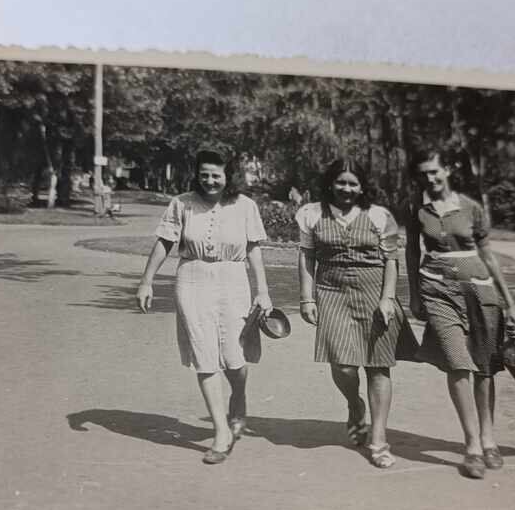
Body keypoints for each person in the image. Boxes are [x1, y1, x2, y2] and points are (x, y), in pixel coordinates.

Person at [136, 150, 272, 465]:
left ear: (229, 176)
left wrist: (263, 292)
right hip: (192, 280)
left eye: (216, 175)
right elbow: (164, 242)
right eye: (204, 174)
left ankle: (238, 400)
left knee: (234, 359)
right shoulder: (181, 203)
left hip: (233, 279)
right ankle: (221, 431)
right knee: (204, 356)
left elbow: (253, 250)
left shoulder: (245, 206)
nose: (209, 181)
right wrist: (146, 281)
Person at [405, 150, 515, 479]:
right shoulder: (417, 210)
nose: (430, 179)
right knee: (458, 363)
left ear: (448, 170)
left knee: (484, 368)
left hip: (480, 291)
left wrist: (509, 301)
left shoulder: (471, 207)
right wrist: (414, 294)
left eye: (434, 172)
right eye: (424, 174)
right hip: (437, 291)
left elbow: (488, 255)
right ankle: (471, 446)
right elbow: (412, 250)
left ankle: (489, 439)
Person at [296, 159, 416, 468]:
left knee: (378, 367)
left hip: (374, 293)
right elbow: (307, 257)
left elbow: (392, 259)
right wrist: (306, 299)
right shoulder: (311, 214)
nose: (346, 189)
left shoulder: (378, 215)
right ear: (330, 183)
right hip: (331, 292)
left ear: (362, 187)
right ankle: (354, 404)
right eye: (341, 182)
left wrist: (388, 298)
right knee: (342, 364)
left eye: (352, 183)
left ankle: (378, 440)